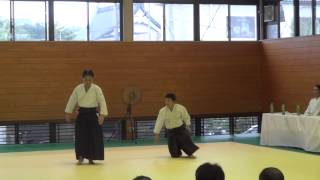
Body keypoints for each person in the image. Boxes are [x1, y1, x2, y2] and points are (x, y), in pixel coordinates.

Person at [65, 69, 108, 165]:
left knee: (93, 137)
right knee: (81, 137)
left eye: (89, 79)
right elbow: (72, 100)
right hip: (82, 115)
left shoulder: (97, 89)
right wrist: (68, 112)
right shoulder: (78, 89)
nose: (87, 81)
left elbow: (102, 101)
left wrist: (102, 115)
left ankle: (91, 158)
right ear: (82, 79)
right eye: (85, 79)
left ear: (93, 79)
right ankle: (80, 157)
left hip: (93, 115)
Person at [153, 93, 199, 158]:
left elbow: (186, 117)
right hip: (170, 131)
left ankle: (190, 154)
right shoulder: (162, 111)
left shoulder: (180, 108)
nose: (166, 102)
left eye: (168, 100)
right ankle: (177, 153)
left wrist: (188, 125)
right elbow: (159, 122)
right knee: (174, 154)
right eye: (165, 100)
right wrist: (157, 134)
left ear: (173, 101)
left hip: (180, 129)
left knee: (185, 142)